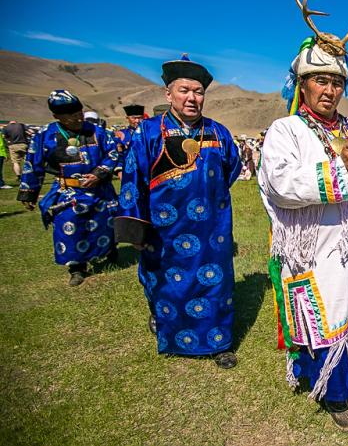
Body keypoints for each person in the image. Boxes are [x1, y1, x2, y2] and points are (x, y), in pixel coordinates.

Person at [258, 43, 348, 431]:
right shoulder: (287, 130)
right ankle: (335, 392)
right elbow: (281, 184)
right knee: (330, 314)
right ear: (302, 85)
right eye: (321, 80)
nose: (330, 90)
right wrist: (338, 166)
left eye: (337, 82)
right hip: (317, 249)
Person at [114, 55, 242, 368]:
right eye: (184, 90)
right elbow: (133, 182)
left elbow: (232, 169)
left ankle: (219, 341)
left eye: (198, 91)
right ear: (168, 94)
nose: (192, 97)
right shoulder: (148, 133)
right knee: (167, 281)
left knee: (216, 284)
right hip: (165, 229)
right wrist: (136, 230)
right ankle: (170, 330)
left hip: (213, 230)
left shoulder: (219, 133)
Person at [17, 90, 120, 286]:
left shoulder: (99, 132)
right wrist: (28, 193)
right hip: (68, 192)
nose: (77, 118)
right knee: (69, 228)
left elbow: (113, 154)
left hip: (99, 190)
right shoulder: (45, 136)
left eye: (79, 113)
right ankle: (77, 268)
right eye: (71, 115)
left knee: (105, 224)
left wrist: (99, 173)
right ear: (57, 116)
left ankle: (109, 251)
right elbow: (33, 164)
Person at [114, 104, 145, 176]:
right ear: (127, 118)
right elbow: (118, 156)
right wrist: (119, 172)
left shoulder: (149, 133)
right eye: (134, 118)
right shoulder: (121, 135)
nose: (137, 121)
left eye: (140, 118)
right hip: (128, 172)